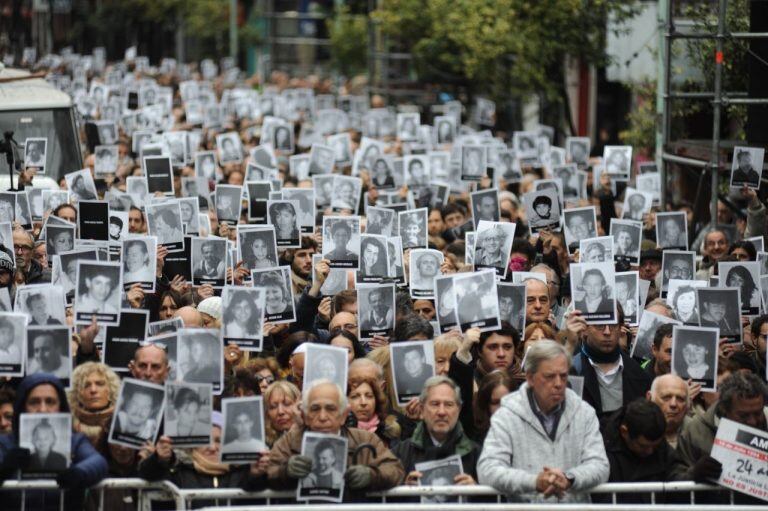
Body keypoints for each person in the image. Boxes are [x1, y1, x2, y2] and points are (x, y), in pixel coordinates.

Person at [477, 341, 609, 503]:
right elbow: (488, 469)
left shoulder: (584, 413)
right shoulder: (506, 415)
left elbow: (600, 465)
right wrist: (534, 482)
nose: (559, 384)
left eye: (563, 375)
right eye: (550, 376)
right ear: (530, 378)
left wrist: (569, 479)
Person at [267, 380, 404, 496]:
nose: (322, 417)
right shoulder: (290, 441)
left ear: (344, 415)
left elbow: (394, 469)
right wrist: (285, 472)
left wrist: (372, 476)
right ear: (305, 415)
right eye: (315, 409)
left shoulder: (365, 439)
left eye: (330, 409)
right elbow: (266, 471)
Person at [0, 374, 108, 509]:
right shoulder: (5, 443)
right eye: (34, 402)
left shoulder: (74, 441)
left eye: (50, 402)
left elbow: (98, 462)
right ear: (23, 406)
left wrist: (79, 473)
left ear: (60, 406)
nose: (43, 409)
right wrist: (4, 468)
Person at [670, 372, 767, 499]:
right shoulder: (695, 431)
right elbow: (674, 478)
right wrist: (694, 473)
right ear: (724, 410)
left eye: (758, 413)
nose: (753, 421)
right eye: (744, 416)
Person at [394, 376, 479, 486]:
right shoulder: (401, 453)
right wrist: (404, 490)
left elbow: (498, 498)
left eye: (448, 404)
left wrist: (476, 491)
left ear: (459, 409)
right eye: (435, 404)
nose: (441, 412)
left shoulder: (476, 454)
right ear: (422, 409)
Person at [567, 307, 652, 418]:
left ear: (621, 328)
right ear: (585, 329)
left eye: (613, 325)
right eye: (600, 325)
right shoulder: (571, 371)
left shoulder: (639, 376)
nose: (607, 332)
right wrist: (569, 344)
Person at [598, 399, 671, 502]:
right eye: (643, 446)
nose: (650, 451)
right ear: (624, 432)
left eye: (655, 446)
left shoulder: (662, 449)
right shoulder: (599, 447)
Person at [647, 374, 690, 449]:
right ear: (649, 398)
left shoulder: (698, 433)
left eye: (680, 399)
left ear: (688, 405)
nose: (673, 404)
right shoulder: (635, 430)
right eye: (666, 397)